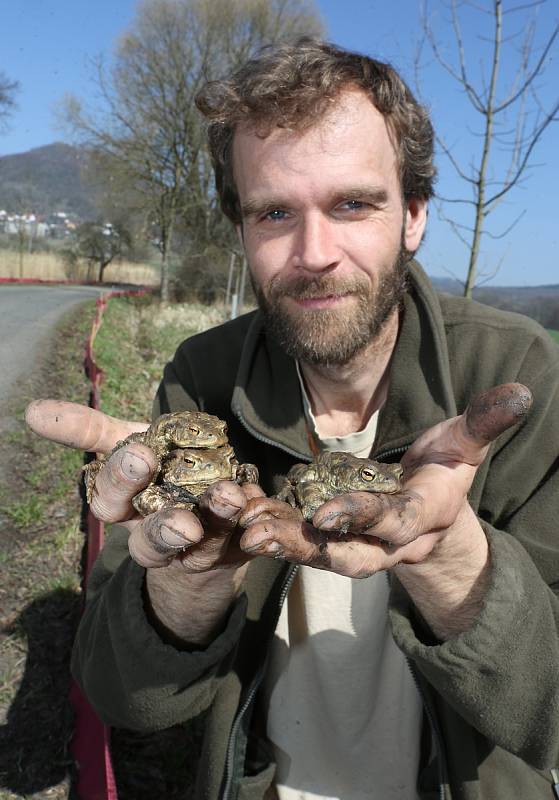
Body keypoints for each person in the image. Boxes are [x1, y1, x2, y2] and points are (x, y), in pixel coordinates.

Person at [26, 39, 559, 800]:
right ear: (240, 231)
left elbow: (548, 719)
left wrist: (452, 564)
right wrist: (188, 586)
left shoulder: (513, 382)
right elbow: (123, 697)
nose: (314, 253)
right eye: (274, 212)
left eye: (351, 204)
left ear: (412, 215)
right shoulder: (202, 381)